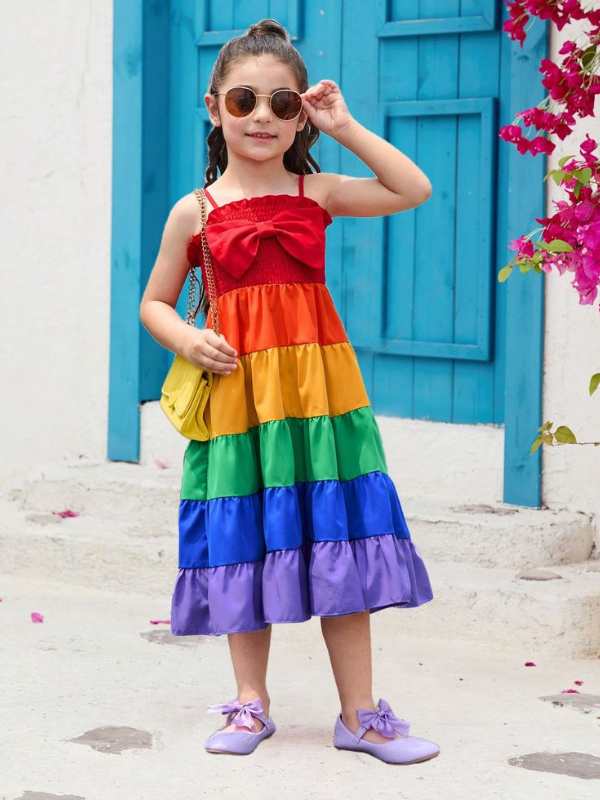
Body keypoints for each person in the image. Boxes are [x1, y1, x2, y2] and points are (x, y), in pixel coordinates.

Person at [139, 18, 439, 765]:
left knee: (342, 540)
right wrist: (187, 338)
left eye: (282, 103)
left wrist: (344, 125)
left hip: (319, 403)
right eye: (244, 101)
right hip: (241, 403)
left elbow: (414, 188)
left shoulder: (319, 190)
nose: (263, 117)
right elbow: (153, 303)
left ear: (300, 113)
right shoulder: (195, 212)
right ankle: (251, 704)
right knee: (246, 538)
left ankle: (361, 716)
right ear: (215, 109)